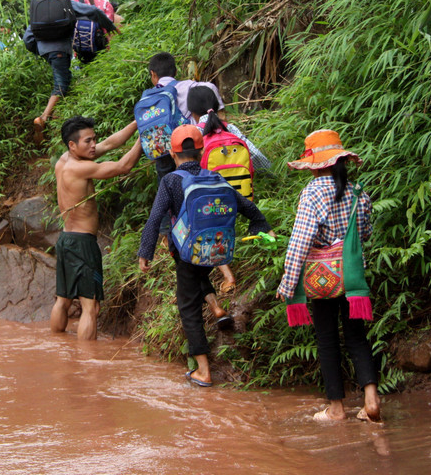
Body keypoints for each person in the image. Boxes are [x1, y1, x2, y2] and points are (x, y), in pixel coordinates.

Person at [138, 125, 272, 387]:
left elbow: (155, 219)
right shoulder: (215, 177)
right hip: (214, 250)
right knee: (199, 278)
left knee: (188, 308)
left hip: (186, 251)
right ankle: (217, 307)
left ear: (173, 155)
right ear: (200, 151)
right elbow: (248, 207)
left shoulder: (171, 180)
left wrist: (145, 252)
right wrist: (260, 225)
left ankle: (203, 370)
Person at [276, 129, 381, 422]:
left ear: (316, 164)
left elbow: (300, 242)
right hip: (352, 276)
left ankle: (336, 409)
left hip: (322, 278)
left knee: (326, 338)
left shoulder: (311, 193)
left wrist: (288, 282)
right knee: (357, 336)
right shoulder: (358, 191)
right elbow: (365, 233)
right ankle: (371, 399)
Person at [52, 116, 141, 340]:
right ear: (73, 144)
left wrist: (138, 122)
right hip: (83, 244)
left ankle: (56, 346)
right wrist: (146, 137)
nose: (94, 145)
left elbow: (111, 143)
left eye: (94, 140)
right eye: (88, 142)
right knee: (90, 307)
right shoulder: (80, 168)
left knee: (63, 300)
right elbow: (124, 166)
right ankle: (86, 363)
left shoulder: (64, 161)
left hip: (65, 240)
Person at [187, 85, 273, 295]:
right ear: (216, 106)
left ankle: (227, 274)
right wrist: (271, 176)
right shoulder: (231, 128)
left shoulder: (192, 134)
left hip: (211, 203)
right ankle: (264, 256)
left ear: (191, 112)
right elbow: (260, 160)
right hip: (242, 195)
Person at [23, 0, 116, 139]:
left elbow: (27, 38)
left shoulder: (39, 5)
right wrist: (110, 27)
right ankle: (43, 118)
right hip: (60, 49)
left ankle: (54, 118)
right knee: (61, 83)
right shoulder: (65, 2)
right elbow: (94, 11)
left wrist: (41, 51)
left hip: (44, 49)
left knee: (64, 78)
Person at [144, 52, 225, 181]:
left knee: (169, 187)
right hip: (194, 149)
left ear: (153, 74)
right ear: (175, 71)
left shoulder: (149, 99)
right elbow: (220, 114)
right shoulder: (196, 87)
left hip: (165, 154)